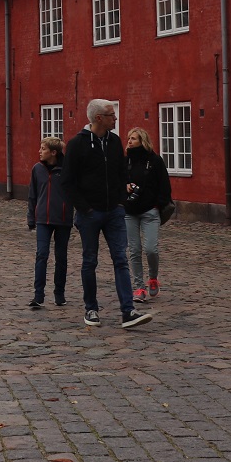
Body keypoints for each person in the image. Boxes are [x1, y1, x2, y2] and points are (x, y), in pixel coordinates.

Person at [66, 99, 150, 330]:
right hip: (89, 214)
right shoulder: (77, 145)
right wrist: (85, 209)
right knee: (89, 261)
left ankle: (128, 311)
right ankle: (91, 308)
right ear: (99, 119)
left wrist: (120, 202)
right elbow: (68, 182)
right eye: (111, 115)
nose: (116, 119)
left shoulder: (114, 142)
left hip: (113, 211)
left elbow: (121, 172)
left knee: (121, 260)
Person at [123, 127, 171, 304]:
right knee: (134, 251)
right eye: (129, 138)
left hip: (150, 211)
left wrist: (158, 205)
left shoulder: (155, 161)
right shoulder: (125, 161)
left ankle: (152, 278)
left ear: (142, 141)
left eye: (133, 138)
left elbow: (165, 186)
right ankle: (139, 287)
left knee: (151, 249)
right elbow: (117, 182)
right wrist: (125, 188)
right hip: (130, 212)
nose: (129, 141)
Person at [26, 136, 72, 310]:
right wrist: (31, 217)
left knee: (61, 258)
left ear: (53, 152)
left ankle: (59, 294)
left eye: (43, 149)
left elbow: (74, 192)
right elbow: (33, 194)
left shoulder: (66, 169)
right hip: (43, 219)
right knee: (41, 255)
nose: (39, 151)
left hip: (62, 219)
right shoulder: (37, 169)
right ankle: (38, 296)